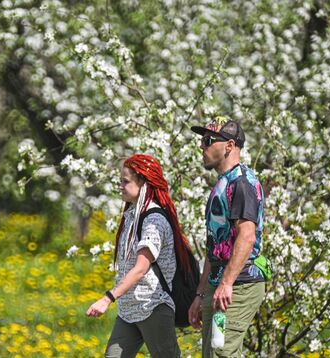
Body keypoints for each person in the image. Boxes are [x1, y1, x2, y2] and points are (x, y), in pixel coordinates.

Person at [86, 154, 193, 358]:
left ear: (143, 182)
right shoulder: (131, 216)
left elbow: (141, 268)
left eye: (125, 181)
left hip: (152, 306)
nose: (120, 185)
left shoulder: (154, 220)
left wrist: (107, 299)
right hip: (128, 310)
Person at [187, 117, 266, 357]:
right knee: (212, 353)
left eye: (208, 141)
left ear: (229, 146)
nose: (202, 146)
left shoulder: (242, 183)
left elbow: (247, 237)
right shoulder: (223, 183)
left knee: (222, 352)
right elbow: (217, 245)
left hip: (239, 284)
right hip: (219, 282)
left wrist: (227, 283)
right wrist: (201, 294)